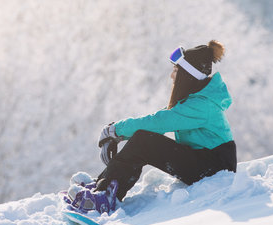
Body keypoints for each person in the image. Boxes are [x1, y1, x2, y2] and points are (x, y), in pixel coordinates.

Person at [95, 40, 237, 205]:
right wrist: (119, 135)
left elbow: (158, 123)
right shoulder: (193, 101)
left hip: (214, 168)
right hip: (206, 162)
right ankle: (102, 184)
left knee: (143, 142)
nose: (171, 75)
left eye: (175, 70)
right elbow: (160, 120)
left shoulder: (201, 105)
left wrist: (115, 130)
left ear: (187, 75)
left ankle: (105, 196)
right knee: (144, 139)